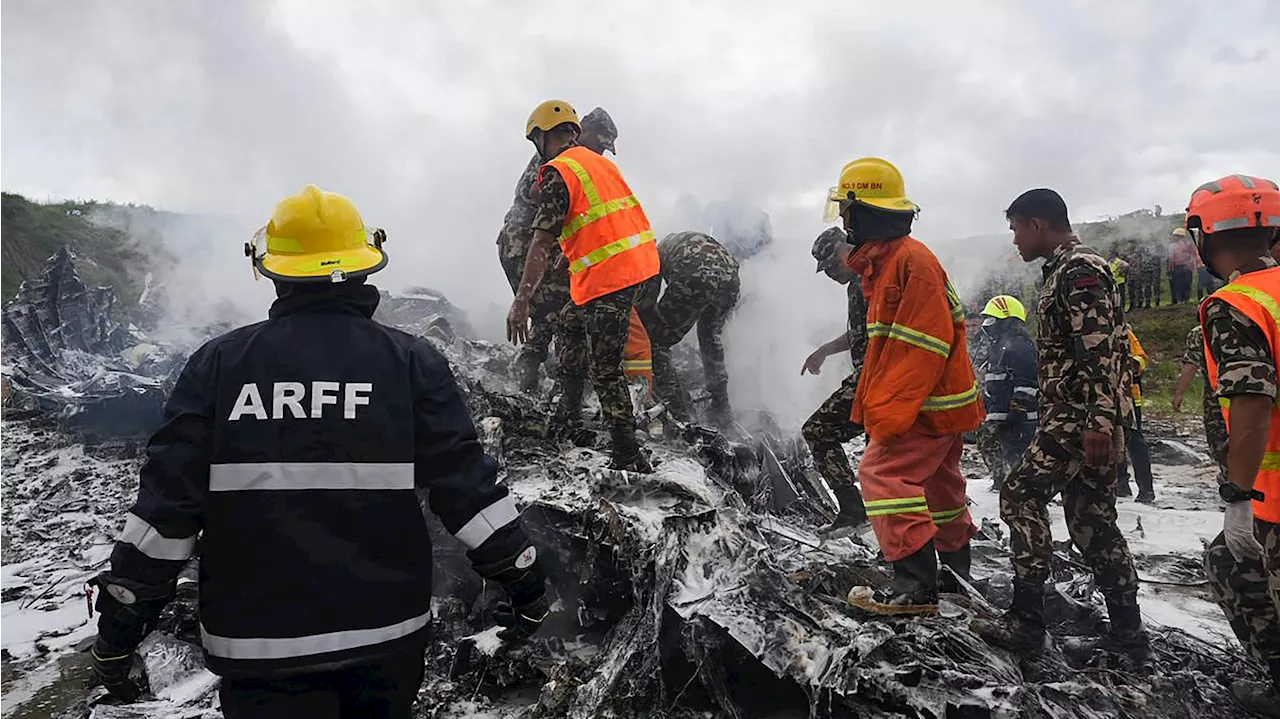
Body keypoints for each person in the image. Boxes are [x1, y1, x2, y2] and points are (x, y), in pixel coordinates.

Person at [87, 186, 549, 717]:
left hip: (260, 652)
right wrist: (525, 581)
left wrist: (118, 633)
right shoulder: (409, 363)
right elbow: (467, 491)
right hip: (386, 642)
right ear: (365, 266)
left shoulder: (218, 366)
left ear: (272, 269)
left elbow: (164, 518)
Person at [971, 188, 1147, 664]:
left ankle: (1026, 620)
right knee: (1092, 522)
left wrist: (1095, 421)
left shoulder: (1078, 270)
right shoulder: (1067, 269)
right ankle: (1129, 633)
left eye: (1016, 228)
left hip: (1077, 416)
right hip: (1081, 414)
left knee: (1020, 494)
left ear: (1039, 225)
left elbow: (1098, 350)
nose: (1014, 240)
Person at [819, 158, 983, 614]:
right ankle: (952, 576)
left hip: (924, 406)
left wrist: (888, 417)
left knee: (883, 475)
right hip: (938, 404)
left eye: (847, 209)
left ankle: (914, 586)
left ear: (866, 210)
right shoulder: (892, 261)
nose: (844, 220)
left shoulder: (908, 263)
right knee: (938, 488)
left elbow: (921, 348)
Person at [507, 100, 659, 472]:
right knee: (569, 323)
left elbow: (540, 242)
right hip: (636, 267)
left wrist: (522, 302)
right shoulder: (600, 163)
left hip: (613, 276)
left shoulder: (559, 171)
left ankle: (628, 454)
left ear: (543, 136)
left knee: (604, 368)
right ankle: (568, 415)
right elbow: (597, 220)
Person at [1187, 173, 1280, 715]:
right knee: (1227, 562)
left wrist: (1238, 495)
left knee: (1231, 564)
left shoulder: (1235, 303)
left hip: (1272, 493)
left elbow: (1250, 401)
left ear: (1203, 235)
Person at [497, 107, 620, 392]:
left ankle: (546, 371)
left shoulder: (575, 157)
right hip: (523, 241)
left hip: (541, 243)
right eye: (600, 144)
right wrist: (522, 299)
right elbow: (537, 195)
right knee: (560, 305)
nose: (601, 153)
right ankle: (546, 375)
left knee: (562, 304)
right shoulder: (559, 154)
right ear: (584, 131)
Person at [802, 226, 870, 539]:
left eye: (830, 266)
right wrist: (824, 351)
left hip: (875, 378)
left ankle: (853, 511)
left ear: (845, 252)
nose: (828, 274)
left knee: (817, 430)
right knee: (879, 461)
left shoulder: (868, 280)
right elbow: (859, 333)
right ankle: (890, 540)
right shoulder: (855, 284)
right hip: (873, 378)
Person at [635, 231, 740, 428]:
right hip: (730, 279)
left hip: (695, 274)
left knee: (656, 343)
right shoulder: (682, 240)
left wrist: (646, 331)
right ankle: (721, 406)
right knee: (711, 337)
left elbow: (646, 303)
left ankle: (678, 411)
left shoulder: (652, 255)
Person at [978, 295, 1038, 493]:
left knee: (1016, 452)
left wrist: (1018, 410)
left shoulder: (1020, 346)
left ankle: (1018, 486)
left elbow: (1028, 381)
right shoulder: (1000, 346)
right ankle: (1002, 481)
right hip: (998, 411)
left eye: (993, 320)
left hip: (1017, 415)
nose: (988, 326)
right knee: (989, 443)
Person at [1116, 328, 1156, 503]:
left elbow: (1140, 357)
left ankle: (1146, 489)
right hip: (1104, 396)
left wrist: (1132, 364)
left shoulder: (1123, 331)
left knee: (1134, 441)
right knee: (1113, 440)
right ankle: (1121, 485)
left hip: (1129, 396)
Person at [1169, 227, 1198, 303]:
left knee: (1186, 284)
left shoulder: (1188, 245)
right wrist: (1170, 269)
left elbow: (1193, 255)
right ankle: (1179, 300)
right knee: (1177, 284)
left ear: (1180, 236)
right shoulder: (1173, 246)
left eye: (1176, 236)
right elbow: (1171, 259)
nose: (1174, 237)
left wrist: (1191, 265)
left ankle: (1186, 299)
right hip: (1176, 268)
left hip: (1186, 267)